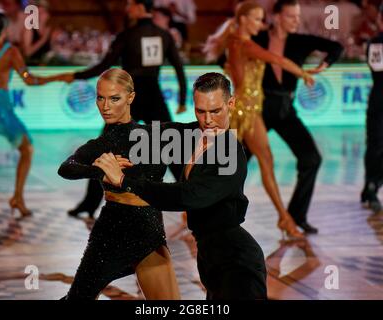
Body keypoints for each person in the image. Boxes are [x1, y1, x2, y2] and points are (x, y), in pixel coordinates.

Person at [93, 72, 267, 300]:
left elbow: (187, 196)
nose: (208, 120)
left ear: (231, 104)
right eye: (200, 111)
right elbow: (147, 135)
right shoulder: (190, 134)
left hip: (237, 263)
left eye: (216, 111)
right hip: (209, 258)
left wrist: (126, 182)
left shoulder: (230, 154)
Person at [58, 68, 182, 300]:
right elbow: (66, 167)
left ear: (130, 98)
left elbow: (198, 129)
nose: (105, 106)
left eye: (114, 98)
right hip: (111, 233)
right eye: (100, 97)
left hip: (149, 229)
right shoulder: (100, 144)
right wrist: (101, 171)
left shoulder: (157, 134)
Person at [62, 0, 188, 219]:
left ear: (140, 7)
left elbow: (104, 66)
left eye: (131, 4)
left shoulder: (128, 35)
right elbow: (178, 67)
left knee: (104, 150)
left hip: (128, 97)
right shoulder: (163, 35)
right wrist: (183, 99)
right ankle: (190, 198)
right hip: (154, 96)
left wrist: (75, 76)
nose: (127, 8)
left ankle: (89, 204)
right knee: (171, 148)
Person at [204, 1, 314, 239]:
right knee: (262, 161)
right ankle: (285, 218)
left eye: (262, 19)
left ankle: (198, 207)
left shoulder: (235, 41)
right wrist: (304, 74)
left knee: (225, 166)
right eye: (256, 19)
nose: (261, 24)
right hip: (246, 113)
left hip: (245, 112)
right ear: (243, 19)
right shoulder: (243, 44)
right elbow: (278, 60)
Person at [252, 0, 344, 233]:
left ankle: (295, 216)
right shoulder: (258, 39)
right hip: (258, 110)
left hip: (286, 109)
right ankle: (210, 212)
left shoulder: (300, 41)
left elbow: (336, 47)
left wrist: (324, 65)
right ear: (277, 16)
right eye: (291, 16)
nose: (296, 20)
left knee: (311, 159)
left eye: (297, 16)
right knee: (232, 162)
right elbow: (227, 57)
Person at [0, 11, 63, 218]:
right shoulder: (10, 52)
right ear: (7, 29)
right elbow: (29, 79)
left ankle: (18, 198)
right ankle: (17, 197)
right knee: (26, 149)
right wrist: (56, 78)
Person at [361, 2, 383, 214]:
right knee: (376, 145)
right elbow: (378, 68)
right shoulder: (376, 43)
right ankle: (371, 188)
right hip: (380, 102)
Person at [21, 0, 52, 65]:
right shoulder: (29, 29)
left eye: (42, 12)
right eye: (38, 13)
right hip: (32, 65)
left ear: (48, 15)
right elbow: (27, 53)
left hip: (46, 65)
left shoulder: (48, 29)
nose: (40, 16)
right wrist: (43, 39)